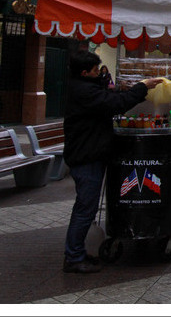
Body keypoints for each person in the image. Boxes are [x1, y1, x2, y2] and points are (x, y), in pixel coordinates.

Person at [63, 50, 162, 273]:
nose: (100, 73)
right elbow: (115, 104)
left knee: (86, 207)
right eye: (96, 70)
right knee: (85, 208)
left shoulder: (84, 88)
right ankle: (73, 257)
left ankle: (77, 252)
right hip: (86, 157)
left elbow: (111, 98)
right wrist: (142, 87)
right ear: (85, 72)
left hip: (90, 154)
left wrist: (124, 89)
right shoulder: (84, 91)